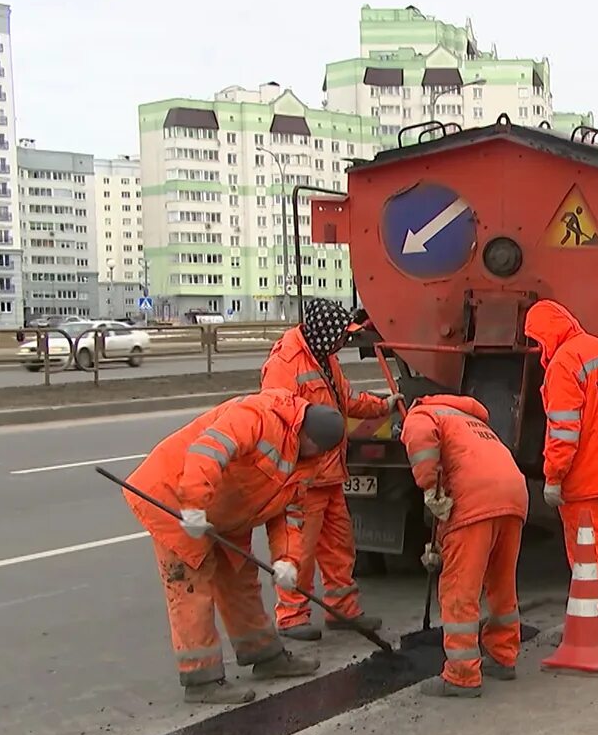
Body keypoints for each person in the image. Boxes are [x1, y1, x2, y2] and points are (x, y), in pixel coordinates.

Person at [124, 389, 346, 704]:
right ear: (304, 433)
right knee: (191, 588)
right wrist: (194, 505)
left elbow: (290, 515)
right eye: (315, 447)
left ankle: (265, 656)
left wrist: (288, 560)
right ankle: (201, 679)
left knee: (241, 580)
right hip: (177, 498)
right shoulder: (257, 416)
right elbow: (207, 451)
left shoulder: (307, 461)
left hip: (226, 514)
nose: (316, 455)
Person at [260, 298, 402, 641]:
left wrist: (384, 406)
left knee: (339, 548)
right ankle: (292, 616)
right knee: (298, 551)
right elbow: (276, 421)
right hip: (304, 479)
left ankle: (343, 611)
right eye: (341, 336)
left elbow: (346, 401)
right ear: (324, 334)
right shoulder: (286, 364)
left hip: (330, 475)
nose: (344, 342)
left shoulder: (325, 359)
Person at [399, 395, 529, 698]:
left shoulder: (422, 413)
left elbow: (421, 443)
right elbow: (462, 481)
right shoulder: (470, 421)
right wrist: (441, 547)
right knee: (501, 582)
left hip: (476, 500)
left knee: (459, 589)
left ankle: (462, 675)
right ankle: (502, 655)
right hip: (513, 497)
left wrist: (429, 486)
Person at [523, 299, 598, 638]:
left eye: (536, 339)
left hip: (582, 476)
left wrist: (553, 477)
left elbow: (563, 429)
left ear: (546, 334)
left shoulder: (564, 364)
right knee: (597, 547)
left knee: (585, 553)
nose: (536, 347)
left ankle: (595, 623)